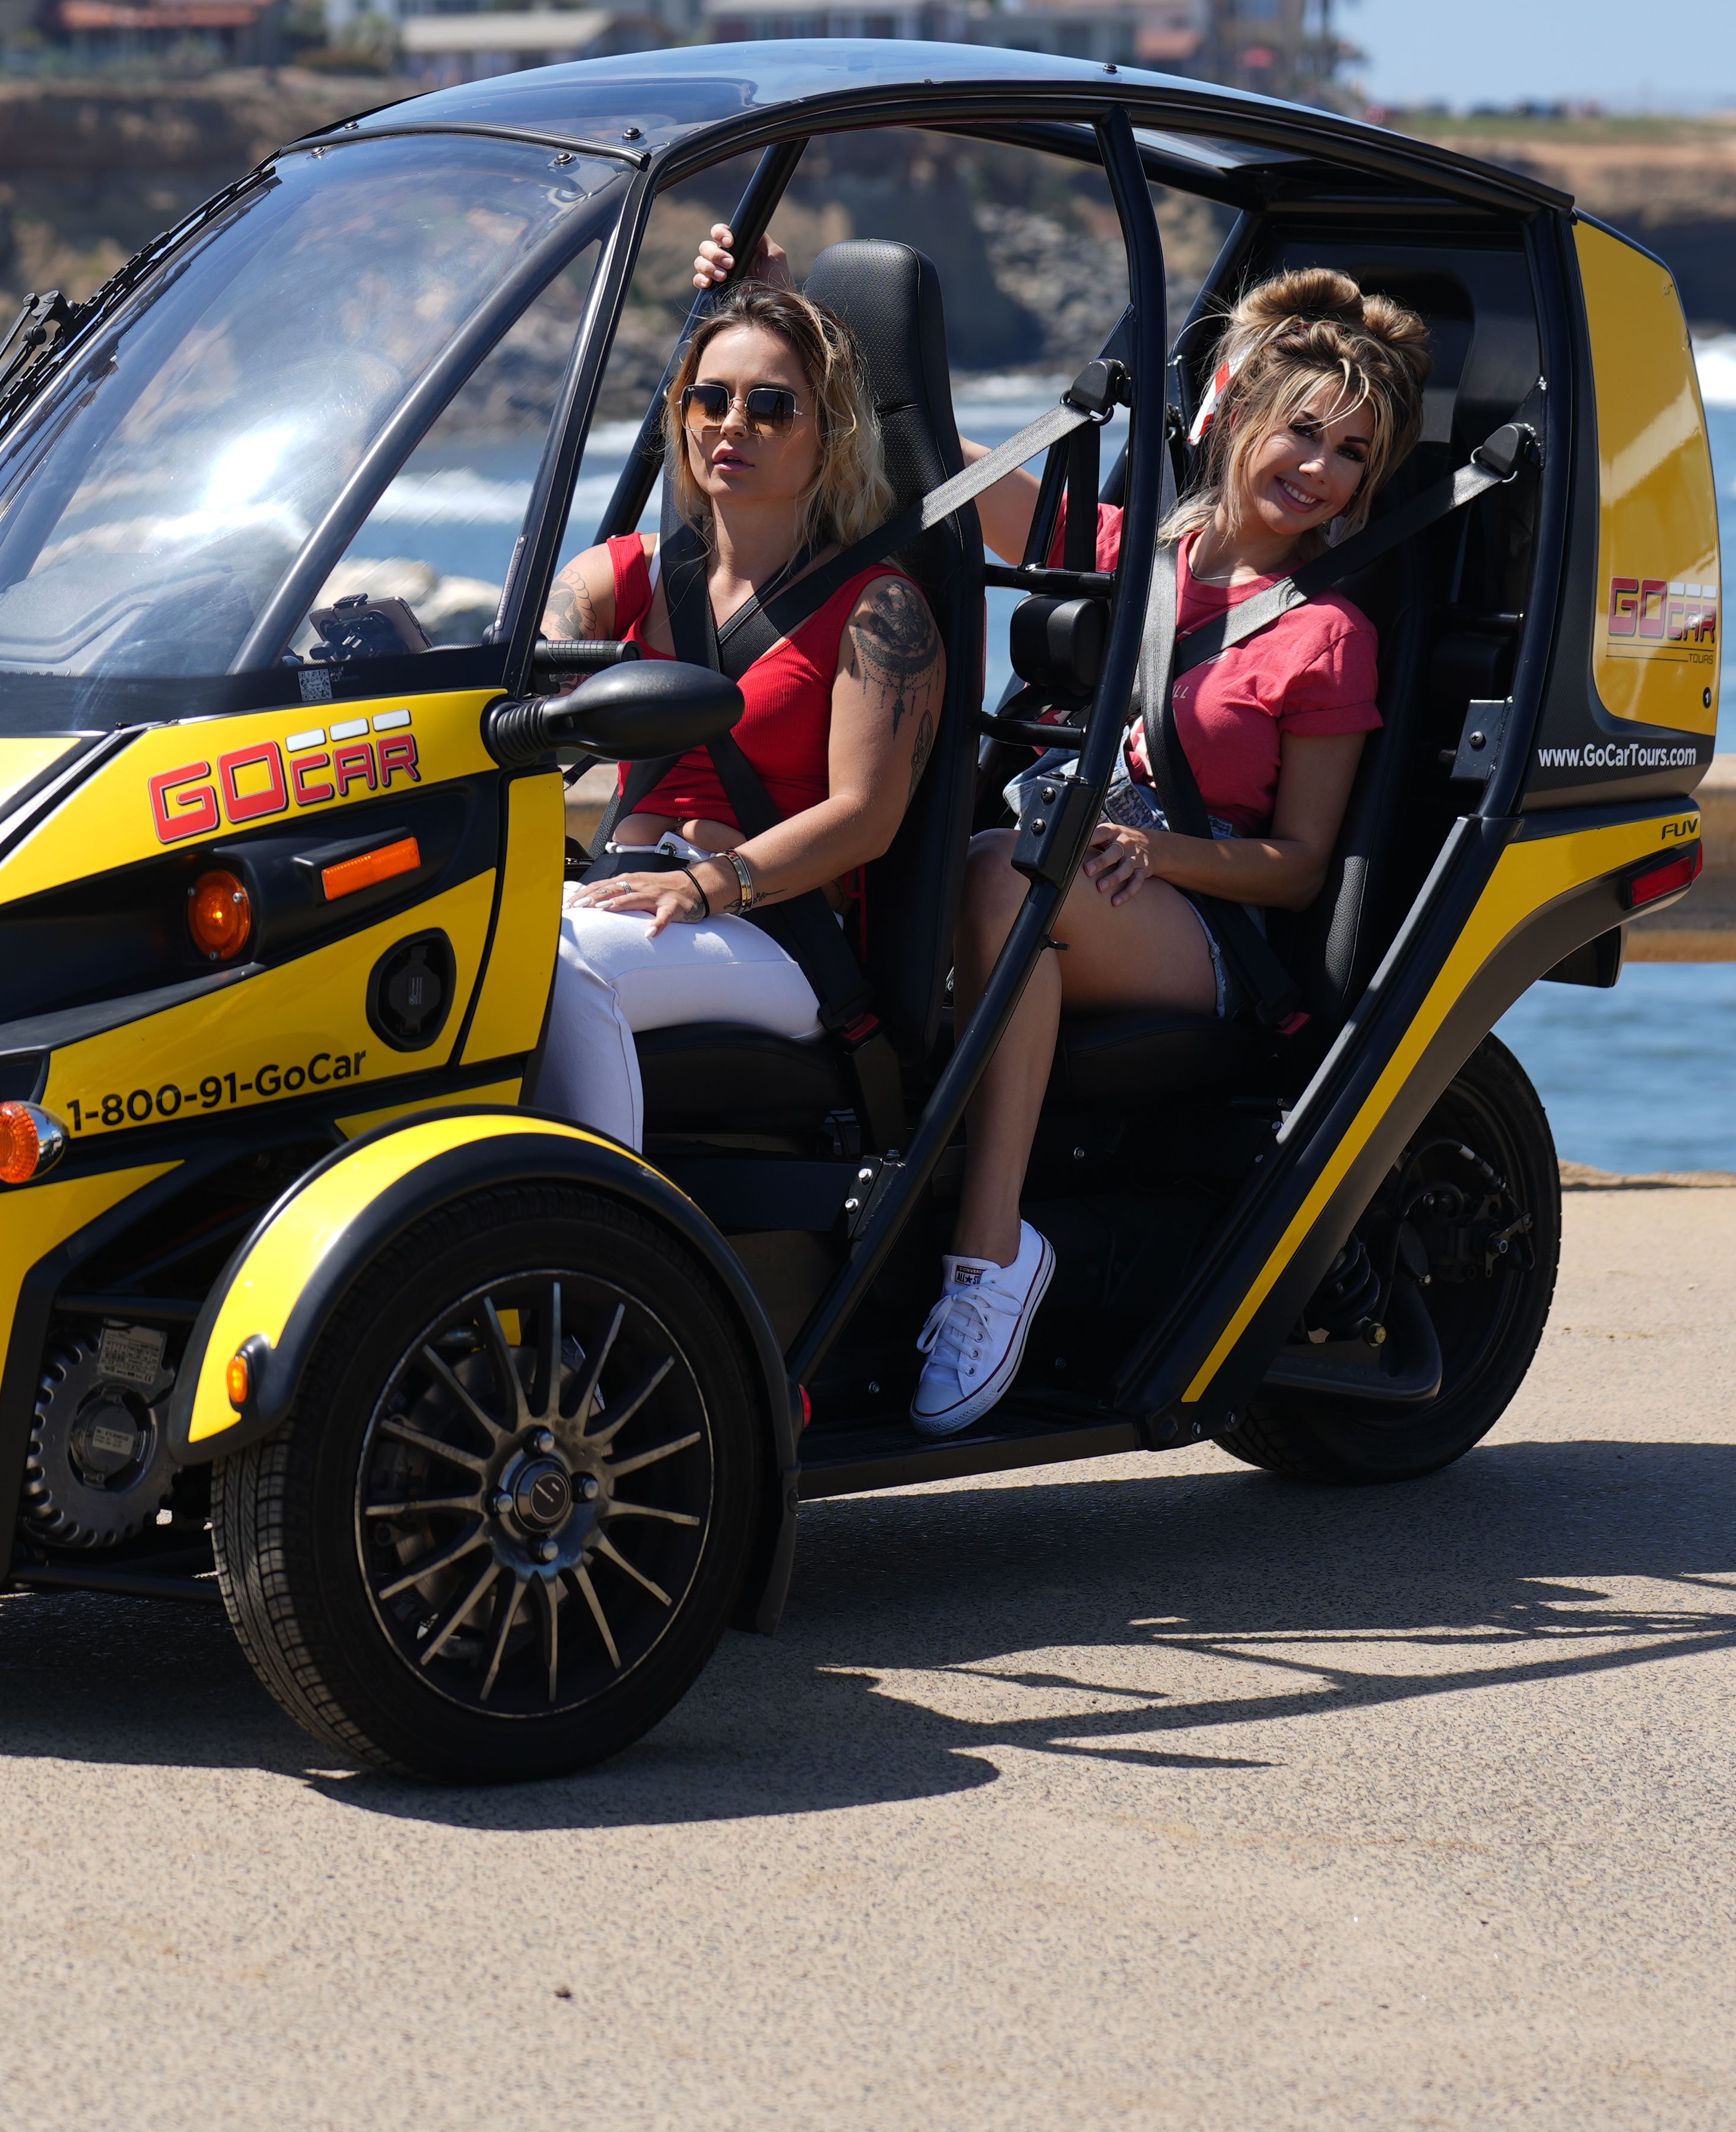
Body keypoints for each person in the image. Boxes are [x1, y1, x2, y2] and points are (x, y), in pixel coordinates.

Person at [911, 268, 1429, 1431]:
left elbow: (1298, 864)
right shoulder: (1137, 552)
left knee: (1005, 876)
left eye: (1353, 453)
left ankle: (991, 1259)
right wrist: (804, 313)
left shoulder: (1326, 634)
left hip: (1208, 922)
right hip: (1084, 874)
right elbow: (963, 473)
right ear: (1239, 413)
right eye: (1305, 430)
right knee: (955, 870)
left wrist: (1161, 858)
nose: (1322, 469)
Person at [527, 280, 945, 1151]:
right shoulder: (624, 575)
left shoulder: (881, 609)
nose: (731, 423)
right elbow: (533, 677)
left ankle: (596, 1231)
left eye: (771, 406)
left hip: (775, 930)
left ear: (827, 433)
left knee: (558, 973)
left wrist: (708, 884)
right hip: (623, 887)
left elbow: (865, 817)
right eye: (709, 398)